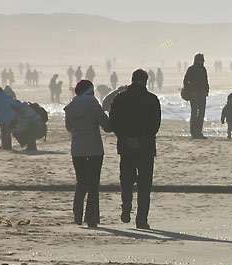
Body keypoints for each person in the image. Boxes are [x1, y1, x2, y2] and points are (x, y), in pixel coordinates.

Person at [108, 68, 161, 228]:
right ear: (146, 81)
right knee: (145, 184)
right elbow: (155, 124)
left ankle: (126, 206)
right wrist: (141, 139)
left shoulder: (120, 98)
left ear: (132, 80)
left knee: (126, 179)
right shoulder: (152, 99)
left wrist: (126, 138)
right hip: (146, 147)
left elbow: (114, 122)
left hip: (126, 146)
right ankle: (141, 219)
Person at [64, 79, 112, 227]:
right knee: (93, 185)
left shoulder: (70, 107)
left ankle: (77, 215)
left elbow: (69, 128)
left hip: (77, 149)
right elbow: (107, 127)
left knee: (81, 183)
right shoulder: (94, 106)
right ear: (90, 91)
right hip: (94, 149)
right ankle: (92, 218)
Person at [183, 53, 209, 139]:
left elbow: (205, 81)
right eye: (201, 60)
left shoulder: (202, 69)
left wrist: (207, 90)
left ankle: (198, 132)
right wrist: (191, 91)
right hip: (195, 93)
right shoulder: (192, 69)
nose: (202, 62)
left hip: (201, 93)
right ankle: (195, 132)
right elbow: (186, 81)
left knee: (200, 113)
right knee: (195, 113)